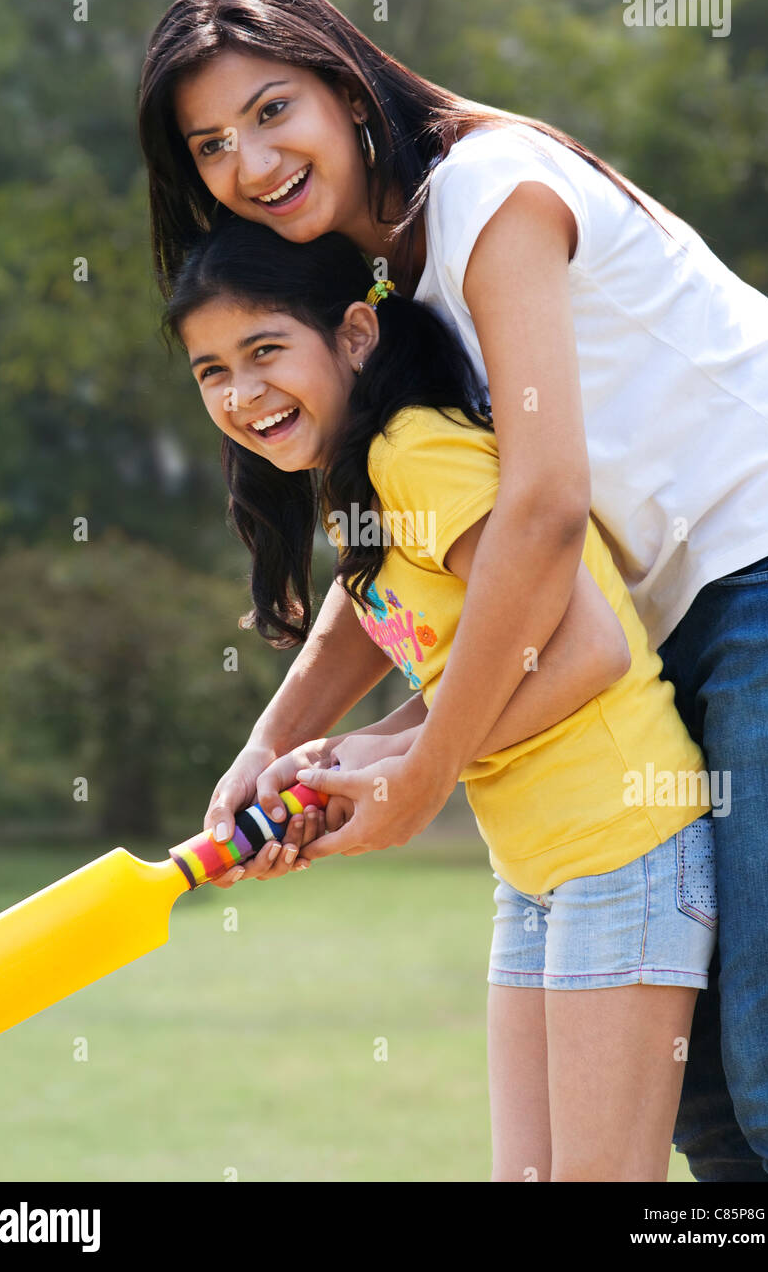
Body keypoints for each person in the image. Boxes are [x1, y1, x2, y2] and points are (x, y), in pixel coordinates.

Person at [138, 0, 768, 1180]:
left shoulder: (487, 196)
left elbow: (544, 509)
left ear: (346, 85)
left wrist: (423, 769)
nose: (246, 161)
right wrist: (276, 740)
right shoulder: (383, 288)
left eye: (270, 109)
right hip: (672, 608)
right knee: (706, 1109)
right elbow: (409, 547)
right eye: (209, 145)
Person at [164, 212, 718, 1181]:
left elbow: (585, 650)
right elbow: (487, 665)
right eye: (212, 370)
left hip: (622, 847)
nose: (243, 393)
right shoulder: (363, 479)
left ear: (353, 334)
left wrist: (406, 767)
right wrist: (351, 752)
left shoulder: (413, 453)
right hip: (537, 866)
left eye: (263, 350)